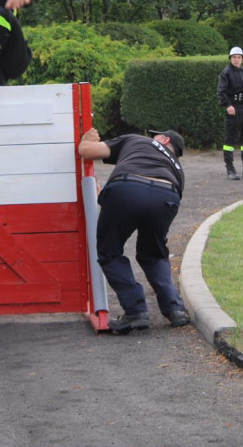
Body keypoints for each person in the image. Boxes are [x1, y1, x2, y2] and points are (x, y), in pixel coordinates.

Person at [78, 127, 190, 334]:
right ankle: (175, 309)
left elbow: (87, 151)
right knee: (153, 254)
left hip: (126, 189)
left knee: (109, 252)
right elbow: (153, 192)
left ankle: (136, 311)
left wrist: (87, 138)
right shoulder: (177, 167)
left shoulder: (136, 139)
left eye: (156, 135)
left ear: (165, 140)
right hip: (166, 195)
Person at [216, 46, 243, 180]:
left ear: (242, 59)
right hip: (233, 110)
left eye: (239, 57)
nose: (237, 60)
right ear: (230, 59)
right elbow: (220, 92)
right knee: (230, 140)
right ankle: (230, 169)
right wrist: (228, 105)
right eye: (234, 57)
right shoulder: (226, 73)